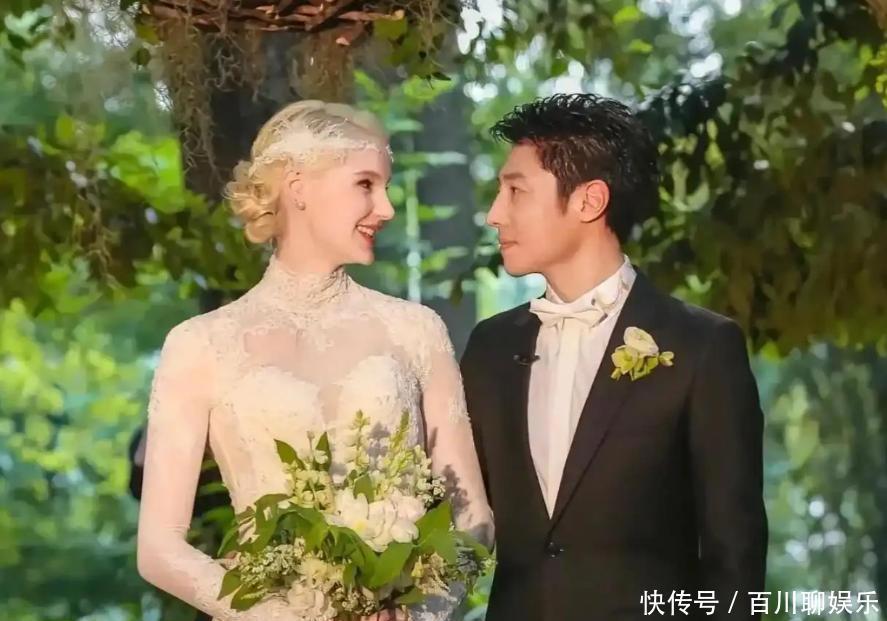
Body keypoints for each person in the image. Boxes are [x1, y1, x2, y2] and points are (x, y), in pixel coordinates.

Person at [136, 100, 493, 621]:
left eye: (386, 187)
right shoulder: (200, 344)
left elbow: (472, 515)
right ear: (298, 186)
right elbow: (159, 549)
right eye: (366, 184)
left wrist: (421, 614)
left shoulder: (417, 330)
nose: (387, 208)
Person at [460, 94, 767, 621]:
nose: (494, 214)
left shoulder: (700, 346)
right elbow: (454, 512)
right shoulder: (489, 347)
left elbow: (734, 554)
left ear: (590, 201)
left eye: (515, 191)